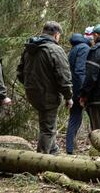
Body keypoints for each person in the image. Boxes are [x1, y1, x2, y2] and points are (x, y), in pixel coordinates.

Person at [17, 21, 73, 154]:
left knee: (46, 125)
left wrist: (31, 85)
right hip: (48, 94)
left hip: (32, 93)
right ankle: (40, 160)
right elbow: (63, 76)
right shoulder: (55, 50)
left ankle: (53, 151)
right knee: (48, 129)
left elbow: (20, 72)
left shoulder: (29, 48)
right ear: (56, 35)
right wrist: (68, 96)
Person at [65, 27, 94, 154]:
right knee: (94, 119)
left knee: (75, 119)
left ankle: (69, 149)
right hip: (79, 91)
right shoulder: (85, 48)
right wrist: (84, 92)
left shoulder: (75, 48)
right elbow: (80, 71)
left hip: (73, 89)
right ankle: (98, 149)